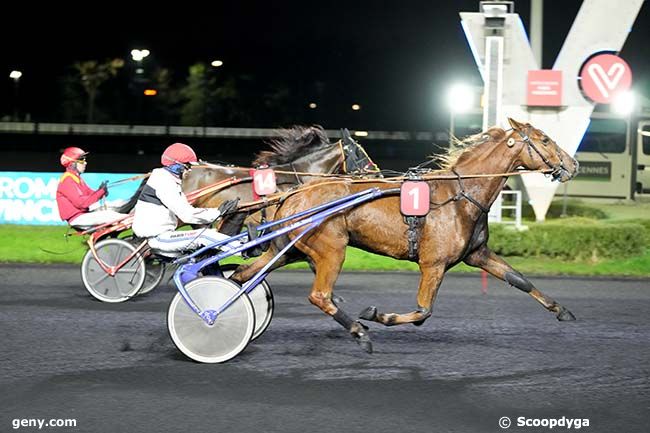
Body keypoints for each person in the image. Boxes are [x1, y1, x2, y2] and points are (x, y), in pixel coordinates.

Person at [132, 142, 241, 253]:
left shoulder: (172, 182)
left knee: (209, 234)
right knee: (204, 236)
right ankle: (242, 249)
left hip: (164, 234)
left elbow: (188, 210)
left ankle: (243, 242)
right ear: (177, 165)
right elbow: (187, 215)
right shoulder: (164, 182)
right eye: (187, 166)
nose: (189, 170)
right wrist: (217, 213)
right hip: (159, 238)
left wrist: (216, 213)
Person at [56, 147, 128, 228]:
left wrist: (101, 191)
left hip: (82, 215)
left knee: (117, 205)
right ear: (72, 163)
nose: (85, 163)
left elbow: (90, 195)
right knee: (112, 215)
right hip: (78, 218)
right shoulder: (68, 179)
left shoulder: (76, 178)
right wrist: (100, 192)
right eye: (81, 160)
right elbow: (82, 203)